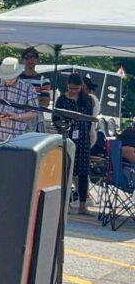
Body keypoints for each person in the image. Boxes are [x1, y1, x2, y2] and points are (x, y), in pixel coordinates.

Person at [54, 73, 94, 216]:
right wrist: (64, 126)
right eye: (71, 88)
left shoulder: (87, 100)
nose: (73, 91)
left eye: (76, 88)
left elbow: (90, 121)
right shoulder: (62, 100)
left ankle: (82, 205)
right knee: (66, 171)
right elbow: (56, 118)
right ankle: (65, 205)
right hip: (67, 136)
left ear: (81, 87)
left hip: (82, 139)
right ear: (67, 85)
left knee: (83, 173)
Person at [0, 57, 39, 142]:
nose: (8, 80)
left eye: (11, 77)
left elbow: (35, 112)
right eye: (5, 77)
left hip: (16, 135)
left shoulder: (28, 88)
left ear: (17, 74)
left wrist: (18, 116)